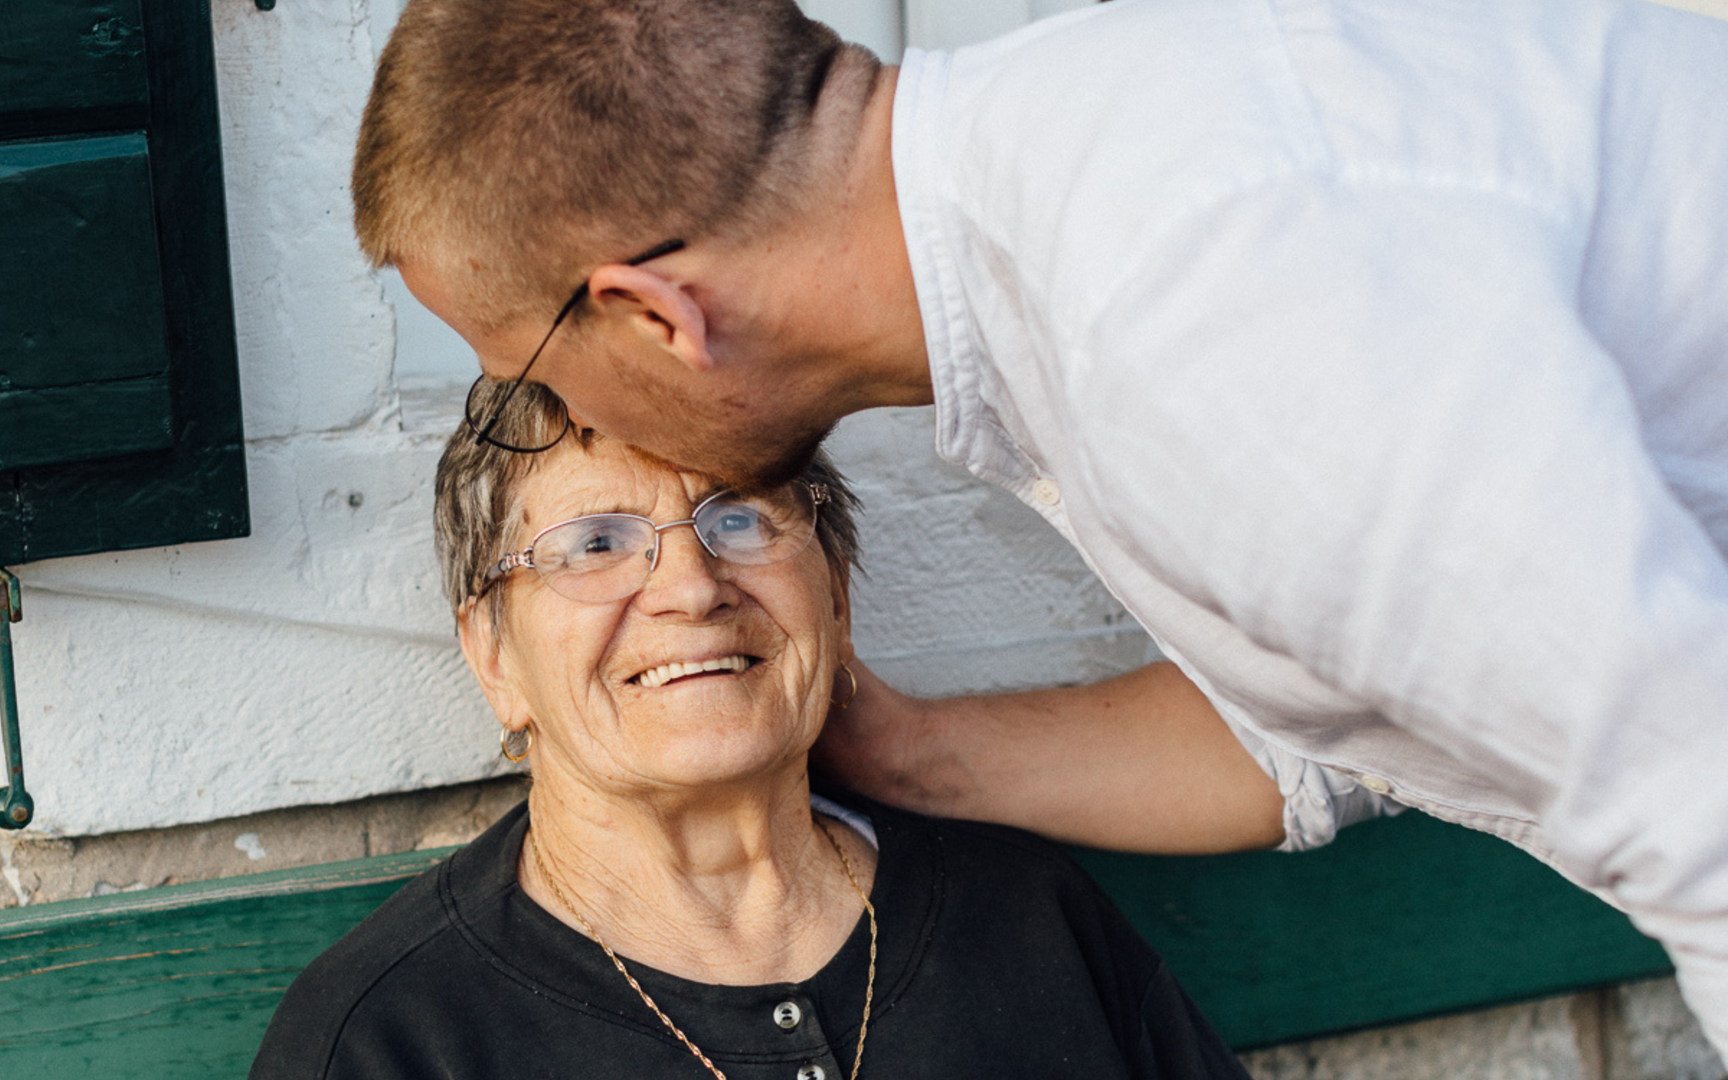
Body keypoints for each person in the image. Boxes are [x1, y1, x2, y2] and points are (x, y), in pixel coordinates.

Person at [350, 0, 1728, 1054]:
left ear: (656, 315)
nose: (537, 398)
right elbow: (1348, 719)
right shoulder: (1079, 189)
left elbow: (1704, 807)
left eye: (528, 356)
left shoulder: (1187, 312)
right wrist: (903, 751)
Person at [248, 383, 1252, 1080]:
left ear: (837, 596)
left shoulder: (1032, 919)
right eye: (596, 543)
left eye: (743, 519)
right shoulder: (388, 1041)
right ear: (495, 656)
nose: (690, 587)